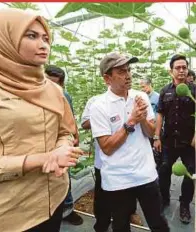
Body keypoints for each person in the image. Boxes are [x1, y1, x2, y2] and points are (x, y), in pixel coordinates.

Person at [0, 9, 83, 232]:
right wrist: (41, 159)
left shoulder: (52, 89)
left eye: (46, 38)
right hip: (6, 215)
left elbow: (66, 131)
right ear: (1, 39)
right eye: (31, 36)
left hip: (52, 200)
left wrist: (61, 148)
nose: (44, 44)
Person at [89, 52, 169, 232]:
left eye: (129, 70)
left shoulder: (140, 97)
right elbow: (107, 148)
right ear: (107, 78)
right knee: (121, 225)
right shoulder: (99, 106)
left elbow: (149, 133)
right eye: (121, 72)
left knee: (158, 223)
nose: (128, 75)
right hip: (118, 179)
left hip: (145, 174)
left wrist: (141, 118)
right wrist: (131, 121)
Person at [154, 54, 196, 224]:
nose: (181, 70)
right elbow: (160, 114)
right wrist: (157, 136)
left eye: (184, 67)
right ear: (171, 71)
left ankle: (185, 204)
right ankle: (165, 198)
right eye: (178, 68)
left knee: (190, 174)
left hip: (189, 142)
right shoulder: (165, 91)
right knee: (164, 170)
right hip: (169, 140)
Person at [45, 65, 83, 226]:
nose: (51, 87)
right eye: (48, 82)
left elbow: (70, 119)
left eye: (56, 84)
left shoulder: (65, 96)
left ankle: (67, 209)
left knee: (63, 176)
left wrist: (75, 135)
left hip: (60, 143)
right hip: (40, 146)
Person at [81, 94, 112, 232]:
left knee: (125, 197)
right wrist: (101, 116)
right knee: (102, 196)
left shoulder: (131, 100)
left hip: (127, 162)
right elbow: (84, 124)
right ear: (107, 78)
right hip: (103, 160)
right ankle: (101, 226)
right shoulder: (95, 101)